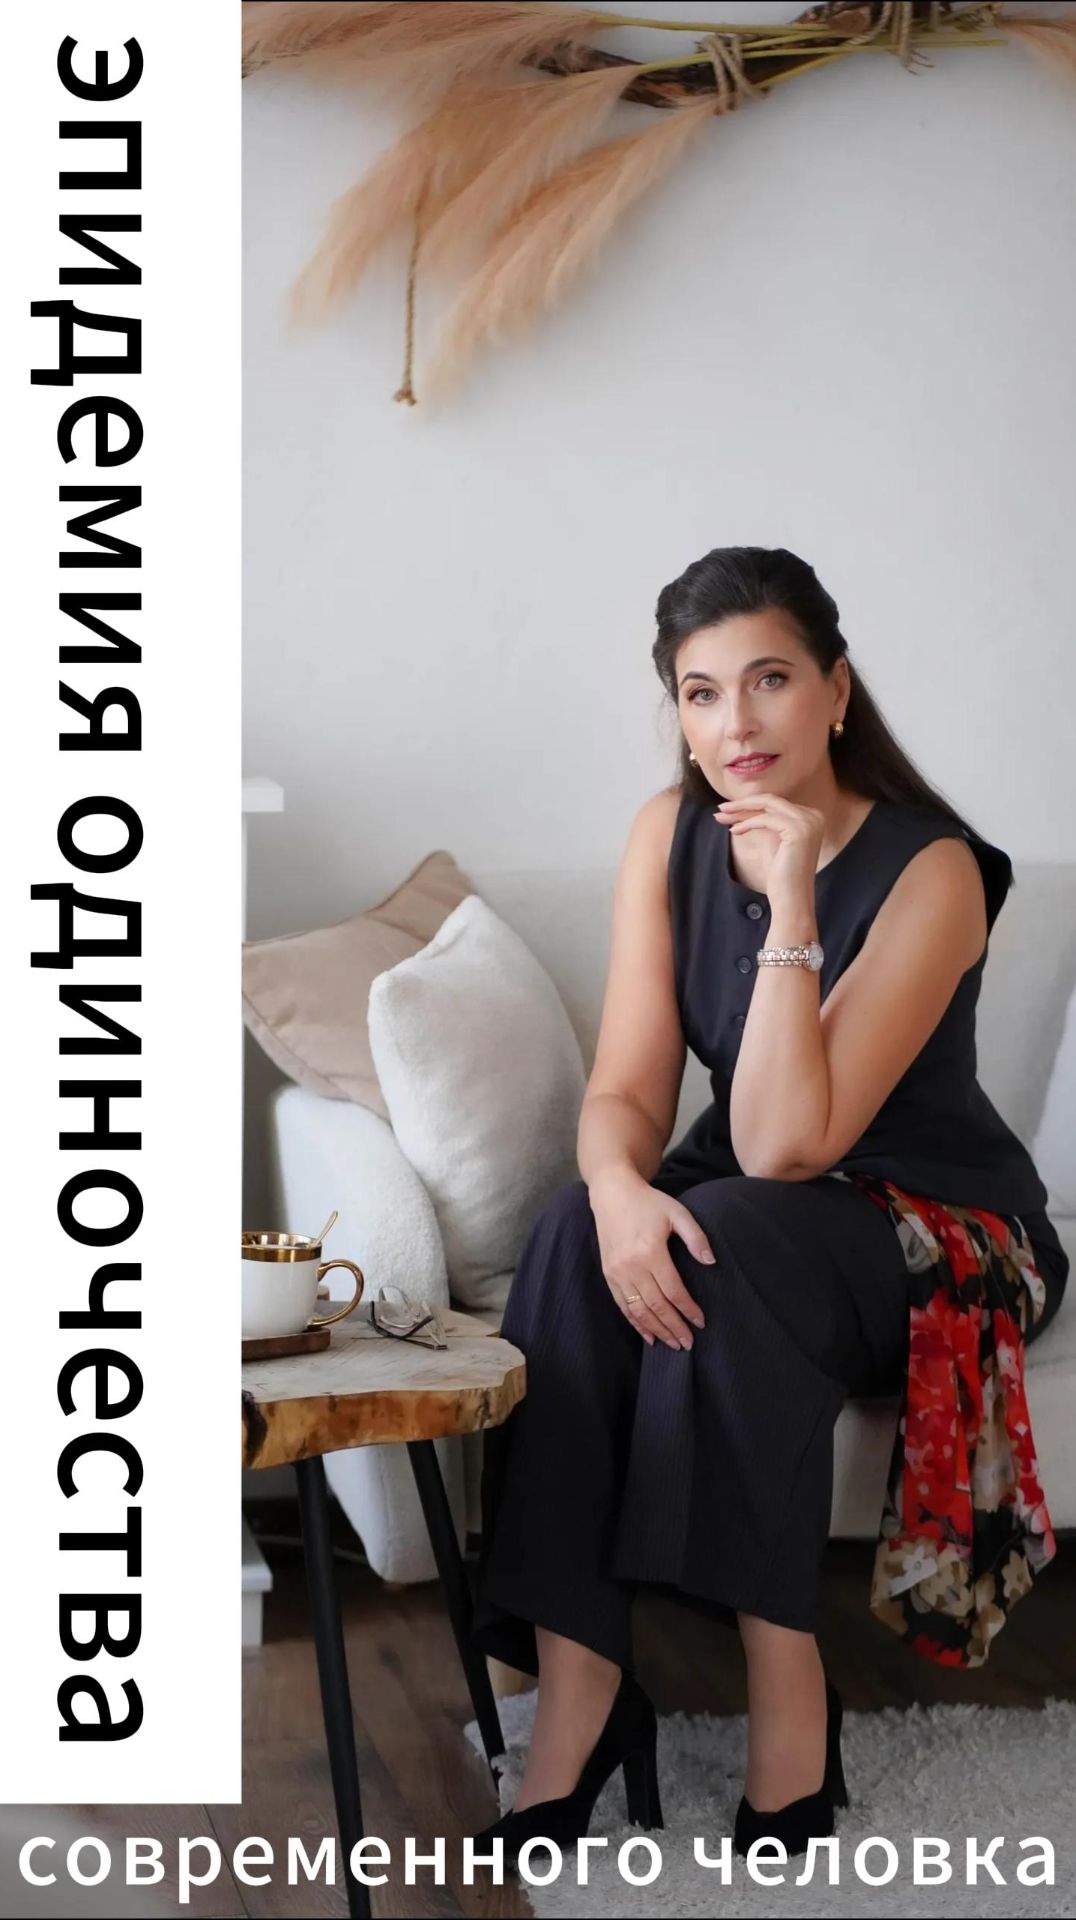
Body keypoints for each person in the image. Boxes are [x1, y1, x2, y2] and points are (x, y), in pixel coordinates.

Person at [466, 545, 1069, 1867]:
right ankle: (578, 1691)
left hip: (932, 1225)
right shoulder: (667, 832)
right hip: (752, 1199)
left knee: (732, 1233)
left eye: (771, 680)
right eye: (700, 693)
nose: (735, 723)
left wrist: (792, 894)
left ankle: (787, 1675)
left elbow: (790, 1142)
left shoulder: (935, 870)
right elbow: (628, 1090)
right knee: (572, 1231)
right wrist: (618, 1191)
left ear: (837, 692)